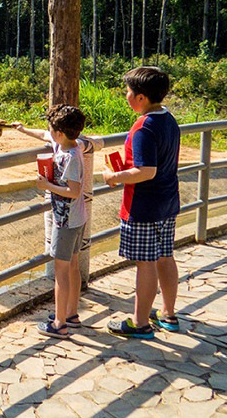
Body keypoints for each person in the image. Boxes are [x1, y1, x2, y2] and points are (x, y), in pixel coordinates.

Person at [103, 66, 181, 339]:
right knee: (165, 257)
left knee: (145, 263)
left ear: (140, 98)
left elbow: (146, 171)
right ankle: (168, 314)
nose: (126, 95)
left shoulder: (144, 127)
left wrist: (115, 176)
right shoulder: (167, 118)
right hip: (167, 201)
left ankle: (139, 323)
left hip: (144, 205)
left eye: (128, 91)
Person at [15, 104, 88, 339]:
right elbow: (45, 134)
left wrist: (47, 186)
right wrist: (24, 130)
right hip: (76, 219)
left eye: (52, 130)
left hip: (65, 221)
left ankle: (60, 323)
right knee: (73, 267)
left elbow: (74, 191)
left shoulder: (71, 157)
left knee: (62, 272)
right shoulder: (68, 144)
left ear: (60, 133)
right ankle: (72, 314)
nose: (49, 133)